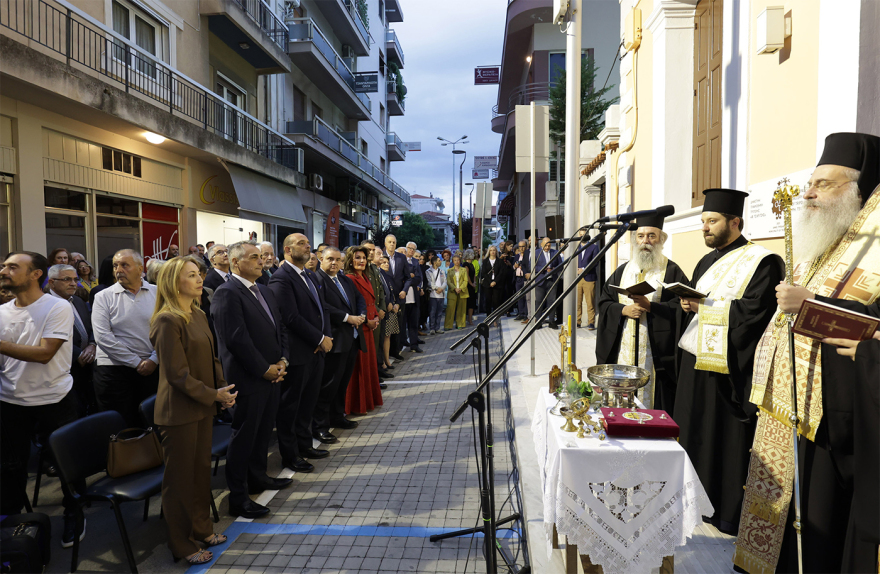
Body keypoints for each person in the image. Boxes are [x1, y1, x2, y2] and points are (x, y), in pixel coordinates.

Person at [736, 132, 880, 574]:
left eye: (825, 184)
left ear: (856, 191)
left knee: (818, 528)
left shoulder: (873, 248)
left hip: (830, 417)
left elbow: (870, 323)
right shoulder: (822, 239)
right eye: (811, 183)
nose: (811, 192)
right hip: (783, 405)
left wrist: (809, 306)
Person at [672, 189, 784, 536]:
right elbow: (695, 303)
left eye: (712, 221)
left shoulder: (763, 261)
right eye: (704, 221)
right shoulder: (706, 261)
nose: (705, 227)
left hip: (728, 370)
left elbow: (756, 313)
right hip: (695, 364)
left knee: (723, 440)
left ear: (735, 222)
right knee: (694, 433)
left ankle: (725, 512)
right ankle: (691, 501)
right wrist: (686, 304)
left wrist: (704, 308)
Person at [149, 256, 237, 565]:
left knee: (200, 473)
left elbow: (212, 360)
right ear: (174, 283)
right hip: (179, 412)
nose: (200, 279)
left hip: (203, 406)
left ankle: (202, 528)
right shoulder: (167, 320)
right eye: (191, 275)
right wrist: (213, 394)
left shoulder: (197, 313)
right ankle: (181, 543)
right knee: (180, 481)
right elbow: (176, 375)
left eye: (199, 274)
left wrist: (222, 392)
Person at [0, 252, 85, 547]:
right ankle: (10, 527)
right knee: (10, 468)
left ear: (37, 274)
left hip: (55, 399)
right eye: (4, 265)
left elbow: (45, 352)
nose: (4, 270)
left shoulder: (57, 307)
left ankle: (75, 514)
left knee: (67, 467)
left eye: (13, 267)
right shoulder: (2, 311)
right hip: (10, 401)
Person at [211, 240, 291, 518]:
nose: (261, 261)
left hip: (272, 374)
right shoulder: (226, 293)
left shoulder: (265, 291)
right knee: (244, 437)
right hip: (248, 378)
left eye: (261, 257)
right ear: (235, 263)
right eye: (254, 257)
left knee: (262, 433)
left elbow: (279, 328)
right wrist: (263, 369)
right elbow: (236, 339)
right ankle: (239, 497)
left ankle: (259, 478)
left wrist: (282, 360)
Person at [595, 216, 689, 413]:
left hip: (657, 359)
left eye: (651, 236)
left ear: (661, 239)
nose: (645, 241)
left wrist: (652, 307)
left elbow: (683, 308)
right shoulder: (622, 271)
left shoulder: (672, 271)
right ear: (634, 240)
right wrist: (623, 310)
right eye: (640, 236)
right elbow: (604, 302)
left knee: (654, 405)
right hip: (623, 352)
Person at [268, 234, 332, 473]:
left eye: (308, 244)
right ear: (287, 249)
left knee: (308, 404)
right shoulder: (281, 279)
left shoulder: (310, 275)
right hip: (298, 353)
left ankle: (305, 445)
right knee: (290, 408)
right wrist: (319, 338)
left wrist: (325, 337)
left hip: (316, 351)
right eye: (302, 244)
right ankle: (290, 455)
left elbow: (321, 308)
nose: (308, 246)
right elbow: (290, 317)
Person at [92, 249, 160, 426]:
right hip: (114, 371)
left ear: (140, 268)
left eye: (124, 265)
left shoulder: (158, 293)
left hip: (151, 367)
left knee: (151, 422)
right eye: (115, 265)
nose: (118, 269)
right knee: (120, 424)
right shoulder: (103, 297)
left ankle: (152, 454)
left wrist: (154, 359)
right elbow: (103, 337)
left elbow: (167, 331)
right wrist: (136, 362)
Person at [313, 247, 366, 440]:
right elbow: (322, 307)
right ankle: (320, 425)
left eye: (338, 260)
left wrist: (361, 315)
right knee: (328, 385)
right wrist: (346, 317)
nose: (334, 263)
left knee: (342, 382)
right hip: (334, 340)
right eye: (330, 259)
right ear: (321, 259)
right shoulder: (317, 280)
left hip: (351, 339)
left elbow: (359, 298)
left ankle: (337, 416)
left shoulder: (344, 279)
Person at [47, 264, 97, 416]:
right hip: (64, 368)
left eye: (75, 279)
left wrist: (92, 345)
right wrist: (78, 355)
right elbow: (49, 336)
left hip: (87, 365)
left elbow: (91, 326)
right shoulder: (45, 304)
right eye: (67, 279)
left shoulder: (78, 301)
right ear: (51, 282)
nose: (73, 283)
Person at [343, 246, 383, 415]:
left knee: (369, 366)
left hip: (371, 325)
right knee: (359, 367)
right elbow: (354, 305)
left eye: (364, 258)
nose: (361, 261)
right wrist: (368, 320)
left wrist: (375, 319)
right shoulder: (349, 278)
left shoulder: (365, 276)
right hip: (360, 327)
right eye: (357, 258)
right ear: (350, 260)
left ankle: (368, 400)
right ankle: (356, 405)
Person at [361, 240, 390, 382]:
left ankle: (379, 370)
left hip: (378, 312)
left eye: (373, 250)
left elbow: (380, 291)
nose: (371, 252)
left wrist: (382, 308)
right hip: (371, 314)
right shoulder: (363, 269)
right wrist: (378, 310)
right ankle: (374, 376)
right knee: (371, 347)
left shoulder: (373, 268)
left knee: (378, 343)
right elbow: (366, 294)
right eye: (368, 250)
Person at [383, 235, 412, 356]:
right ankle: (386, 354)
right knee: (386, 328)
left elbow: (408, 278)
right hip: (386, 297)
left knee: (398, 325)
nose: (392, 244)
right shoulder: (381, 257)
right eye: (389, 242)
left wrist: (405, 290)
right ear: (385, 243)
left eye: (394, 242)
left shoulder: (401, 257)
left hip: (400, 296)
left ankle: (396, 352)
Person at [534, 238, 562, 329]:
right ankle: (538, 321)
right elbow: (533, 266)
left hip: (552, 281)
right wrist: (544, 268)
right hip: (540, 281)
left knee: (552, 301)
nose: (547, 247)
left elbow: (560, 265)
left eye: (549, 245)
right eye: (545, 245)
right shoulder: (536, 253)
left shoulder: (555, 252)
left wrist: (553, 270)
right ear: (541, 244)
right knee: (539, 301)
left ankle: (551, 321)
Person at [403, 242, 424, 353]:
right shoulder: (401, 260)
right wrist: (410, 277)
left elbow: (418, 278)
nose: (411, 250)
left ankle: (414, 345)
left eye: (413, 249)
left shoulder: (416, 262)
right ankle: (401, 344)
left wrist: (410, 279)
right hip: (403, 297)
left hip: (414, 297)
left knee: (414, 323)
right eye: (409, 248)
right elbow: (400, 278)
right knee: (402, 324)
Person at [480, 245, 511, 320]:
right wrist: (490, 282)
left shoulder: (499, 261)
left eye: (494, 250)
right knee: (488, 300)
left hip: (497, 284)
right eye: (491, 250)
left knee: (496, 301)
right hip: (487, 284)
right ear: (489, 252)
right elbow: (484, 273)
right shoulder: (485, 261)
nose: (492, 252)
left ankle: (496, 318)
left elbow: (501, 273)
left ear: (496, 251)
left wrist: (495, 281)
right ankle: (488, 317)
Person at [576, 233, 600, 329]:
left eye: (584, 234)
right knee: (578, 302)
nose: (582, 236)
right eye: (581, 234)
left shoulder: (594, 247)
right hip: (577, 278)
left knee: (590, 301)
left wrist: (584, 269)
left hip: (589, 277)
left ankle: (591, 322)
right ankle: (578, 321)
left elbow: (595, 261)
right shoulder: (576, 247)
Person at [445, 255, 469, 330]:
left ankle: (460, 324)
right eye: (455, 260)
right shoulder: (449, 270)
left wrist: (461, 288)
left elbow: (466, 280)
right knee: (450, 309)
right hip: (452, 291)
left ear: (460, 261)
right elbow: (448, 281)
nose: (457, 262)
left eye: (458, 260)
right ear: (453, 261)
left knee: (461, 308)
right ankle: (448, 325)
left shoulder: (464, 270)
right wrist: (455, 288)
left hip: (462, 291)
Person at [426, 256, 446, 334]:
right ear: (435, 262)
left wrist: (441, 288)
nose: (440, 261)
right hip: (433, 295)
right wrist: (437, 288)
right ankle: (432, 328)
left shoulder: (442, 271)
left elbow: (445, 281)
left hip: (441, 295)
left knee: (439, 313)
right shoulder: (428, 271)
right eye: (439, 260)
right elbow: (430, 283)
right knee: (432, 312)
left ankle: (438, 328)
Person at [513, 240, 531, 321]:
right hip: (518, 278)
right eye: (520, 247)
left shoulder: (528, 255)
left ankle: (526, 314)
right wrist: (515, 266)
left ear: (526, 246)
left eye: (523, 246)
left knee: (526, 297)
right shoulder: (516, 256)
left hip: (525, 278)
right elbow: (512, 267)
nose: (521, 248)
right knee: (519, 296)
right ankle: (521, 313)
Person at [464, 250, 478, 326]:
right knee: (469, 303)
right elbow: (467, 276)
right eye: (472, 254)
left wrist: (475, 282)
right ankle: (468, 319)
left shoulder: (471, 264)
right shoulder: (466, 264)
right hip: (468, 286)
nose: (473, 255)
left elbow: (474, 275)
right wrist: (471, 284)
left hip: (472, 285)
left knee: (472, 303)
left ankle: (470, 318)